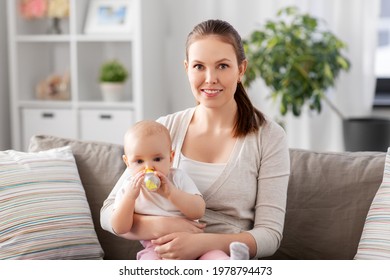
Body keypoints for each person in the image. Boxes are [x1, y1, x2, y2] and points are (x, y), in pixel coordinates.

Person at [101, 19, 290, 260]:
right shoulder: (165, 128)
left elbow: (270, 235)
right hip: (163, 253)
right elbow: (109, 213)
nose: (210, 78)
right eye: (199, 66)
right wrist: (161, 226)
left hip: (222, 256)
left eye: (222, 66)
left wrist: (201, 243)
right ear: (187, 68)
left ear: (241, 69)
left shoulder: (269, 137)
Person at [112, 120, 250, 260]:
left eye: (157, 159)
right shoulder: (128, 189)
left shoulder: (177, 178)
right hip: (157, 248)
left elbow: (198, 210)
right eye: (139, 161)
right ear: (127, 163)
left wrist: (171, 193)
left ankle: (233, 264)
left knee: (213, 256)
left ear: (171, 158)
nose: (149, 167)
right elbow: (120, 228)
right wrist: (130, 198)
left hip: (195, 244)